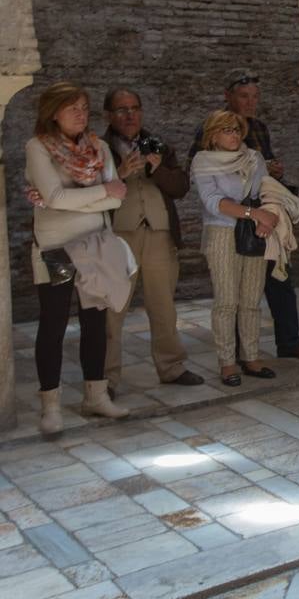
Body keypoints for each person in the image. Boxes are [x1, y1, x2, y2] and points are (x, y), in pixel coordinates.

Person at [25, 82, 133, 433]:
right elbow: (55, 198)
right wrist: (101, 192)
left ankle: (96, 396)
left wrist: (91, 197)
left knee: (94, 323)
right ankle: (50, 408)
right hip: (55, 247)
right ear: (53, 112)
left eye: (85, 107)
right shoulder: (38, 147)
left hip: (95, 243)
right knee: (53, 323)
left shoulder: (98, 146)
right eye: (72, 107)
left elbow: (119, 199)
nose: (81, 114)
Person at [191, 69, 299, 361]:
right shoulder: (209, 131)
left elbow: (263, 175)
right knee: (231, 296)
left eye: (254, 97)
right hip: (229, 225)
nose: (250, 103)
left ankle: (287, 342)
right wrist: (251, 212)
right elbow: (207, 181)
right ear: (228, 96)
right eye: (243, 96)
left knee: (278, 281)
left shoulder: (259, 128)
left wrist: (272, 178)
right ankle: (233, 356)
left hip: (262, 222)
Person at [102, 88, 203, 393]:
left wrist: (157, 167)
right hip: (118, 236)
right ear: (108, 115)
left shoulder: (157, 144)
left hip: (159, 234)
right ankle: (106, 378)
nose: (129, 115)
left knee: (163, 306)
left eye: (134, 108)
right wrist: (119, 172)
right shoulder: (99, 147)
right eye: (121, 110)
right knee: (112, 310)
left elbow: (181, 186)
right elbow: (89, 189)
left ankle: (171, 367)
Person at [191, 111, 278, 386]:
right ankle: (227, 362)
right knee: (227, 301)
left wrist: (267, 217)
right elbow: (213, 201)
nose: (234, 135)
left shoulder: (254, 157)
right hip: (221, 233)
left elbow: (267, 191)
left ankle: (251, 356)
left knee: (251, 300)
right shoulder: (203, 160)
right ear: (213, 134)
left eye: (237, 130)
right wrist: (255, 214)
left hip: (254, 233)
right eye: (227, 130)